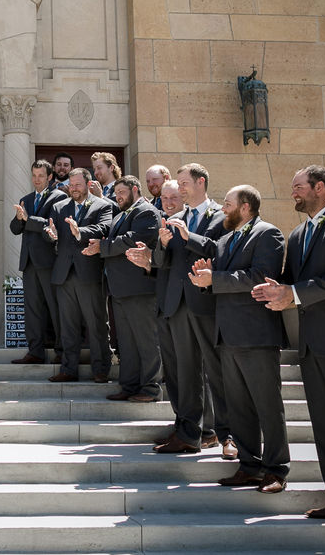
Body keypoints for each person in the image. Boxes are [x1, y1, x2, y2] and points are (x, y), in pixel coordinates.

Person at [253, 166, 325, 526]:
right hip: (312, 345)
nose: (293, 193)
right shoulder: (298, 233)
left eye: (298, 187)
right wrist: (276, 291)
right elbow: (291, 283)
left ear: (320, 188)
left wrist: (294, 293)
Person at [187, 185, 289, 494]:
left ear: (245, 207)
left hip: (256, 335)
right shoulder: (224, 240)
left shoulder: (268, 234)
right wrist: (206, 280)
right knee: (239, 407)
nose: (222, 210)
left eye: (228, 204)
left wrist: (215, 278)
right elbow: (222, 281)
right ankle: (249, 466)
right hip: (227, 335)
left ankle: (276, 470)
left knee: (267, 405)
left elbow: (260, 276)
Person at [146, 164, 234, 458]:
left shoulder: (221, 216)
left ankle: (229, 435)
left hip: (206, 302)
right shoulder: (176, 219)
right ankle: (188, 433)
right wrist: (161, 245)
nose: (180, 187)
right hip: (177, 303)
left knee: (217, 372)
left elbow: (221, 252)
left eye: (184, 183)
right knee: (185, 372)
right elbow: (163, 262)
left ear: (201, 182)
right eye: (179, 183)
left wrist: (188, 237)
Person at [82, 176, 161, 402]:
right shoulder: (120, 215)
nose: (118, 197)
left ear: (135, 189)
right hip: (119, 289)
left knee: (146, 342)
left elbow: (133, 240)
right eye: (116, 193)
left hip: (140, 289)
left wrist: (103, 246)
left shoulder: (146, 212)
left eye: (121, 192)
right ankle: (129, 385)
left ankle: (151, 388)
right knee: (127, 343)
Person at [43, 168, 113, 383]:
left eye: (77, 185)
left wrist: (80, 231)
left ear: (88, 184)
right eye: (71, 185)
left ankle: (100, 369)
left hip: (90, 273)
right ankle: (68, 369)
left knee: (97, 324)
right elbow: (52, 234)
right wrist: (51, 236)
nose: (73, 189)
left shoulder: (103, 205)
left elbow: (104, 228)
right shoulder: (59, 207)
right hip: (64, 275)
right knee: (68, 325)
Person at [9, 159, 67, 364]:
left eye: (41, 175)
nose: (36, 179)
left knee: (55, 307)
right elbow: (15, 229)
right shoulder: (26, 199)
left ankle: (62, 351)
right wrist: (19, 218)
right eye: (34, 175)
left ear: (50, 177)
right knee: (32, 309)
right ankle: (35, 351)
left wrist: (28, 219)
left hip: (50, 261)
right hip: (29, 262)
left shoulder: (59, 197)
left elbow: (52, 226)